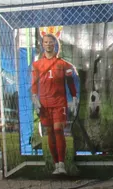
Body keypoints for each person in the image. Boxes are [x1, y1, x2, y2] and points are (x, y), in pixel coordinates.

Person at [30, 32, 78, 176]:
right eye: (46, 42)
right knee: (50, 132)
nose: (48, 44)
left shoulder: (63, 64)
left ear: (56, 44)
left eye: (51, 42)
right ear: (42, 44)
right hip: (44, 104)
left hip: (59, 103)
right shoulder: (37, 65)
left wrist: (74, 97)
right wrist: (34, 97)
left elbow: (70, 82)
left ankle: (62, 165)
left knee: (58, 130)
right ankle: (56, 164)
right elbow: (34, 83)